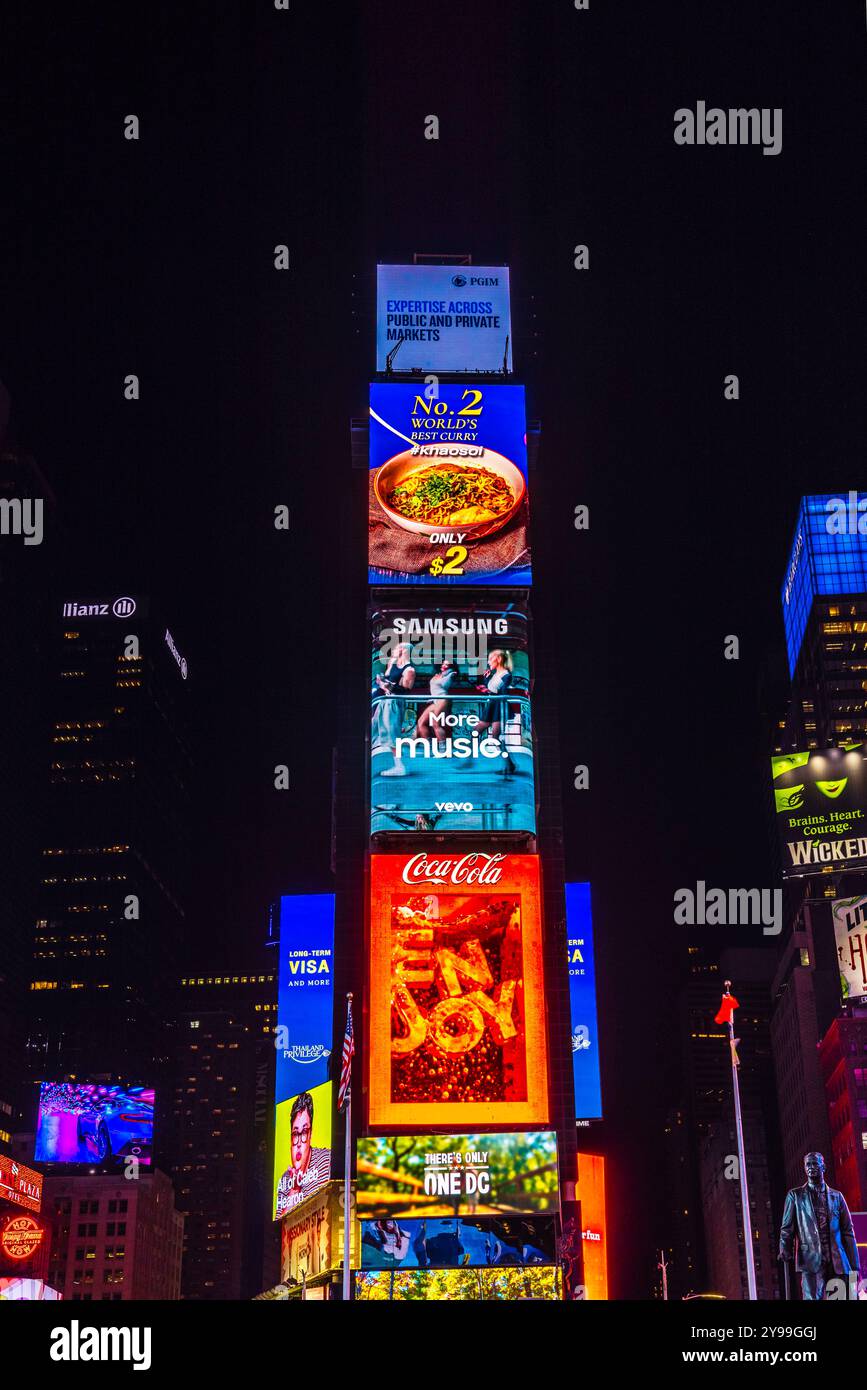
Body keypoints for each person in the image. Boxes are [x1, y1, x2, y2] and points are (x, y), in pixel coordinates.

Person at [779, 1151, 860, 1299]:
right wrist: (785, 1248)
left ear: (823, 1166)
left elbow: (848, 1231)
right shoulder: (795, 1196)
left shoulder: (837, 1196)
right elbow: (787, 1229)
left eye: (814, 1163)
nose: (811, 1167)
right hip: (811, 1260)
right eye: (807, 1164)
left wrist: (854, 1265)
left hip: (836, 1260)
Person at [383, 660, 459, 775]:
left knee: (435, 724)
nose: (444, 666)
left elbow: (444, 685)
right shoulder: (437, 674)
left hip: (443, 700)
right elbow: (435, 688)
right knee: (421, 722)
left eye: (447, 665)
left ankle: (444, 750)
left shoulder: (450, 675)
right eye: (443, 664)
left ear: (451, 667)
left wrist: (449, 674)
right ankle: (429, 748)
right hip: (435, 700)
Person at [276, 1091, 331, 1217]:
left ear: (310, 1134)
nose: (299, 1143)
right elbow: (280, 1229)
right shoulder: (284, 1180)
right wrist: (294, 1191)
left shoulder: (327, 1161)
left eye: (304, 1132)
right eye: (295, 1134)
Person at [372, 643, 416, 772]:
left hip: (394, 703)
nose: (394, 650)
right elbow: (386, 679)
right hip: (384, 700)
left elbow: (405, 691)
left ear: (403, 650)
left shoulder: (409, 670)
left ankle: (399, 766)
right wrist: (383, 682)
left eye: (397, 648)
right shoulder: (393, 664)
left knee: (392, 735)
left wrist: (386, 685)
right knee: (374, 727)